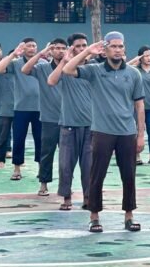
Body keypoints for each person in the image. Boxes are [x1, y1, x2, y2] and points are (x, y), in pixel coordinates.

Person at [62, 31, 145, 233]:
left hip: (127, 132)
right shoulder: (94, 71)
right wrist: (87, 52)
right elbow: (67, 69)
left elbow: (140, 106)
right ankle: (94, 216)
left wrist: (140, 135)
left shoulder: (134, 74)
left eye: (120, 46)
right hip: (102, 131)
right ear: (105, 50)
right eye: (113, 46)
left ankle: (129, 215)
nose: (117, 50)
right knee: (97, 175)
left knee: (129, 175)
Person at [48, 33, 93, 211]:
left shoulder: (94, 68)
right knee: (66, 165)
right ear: (71, 49)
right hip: (68, 124)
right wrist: (64, 61)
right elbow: (51, 81)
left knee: (89, 166)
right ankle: (66, 197)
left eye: (84, 46)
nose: (82, 49)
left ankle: (89, 197)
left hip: (91, 125)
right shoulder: (66, 69)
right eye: (78, 46)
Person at [0, 38, 42, 181]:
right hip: (21, 108)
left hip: (40, 108)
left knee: (40, 140)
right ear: (23, 49)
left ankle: (42, 168)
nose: (31, 48)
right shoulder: (16, 64)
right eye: (28, 46)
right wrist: (12, 54)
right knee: (19, 139)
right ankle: (17, 169)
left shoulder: (43, 64)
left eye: (34, 46)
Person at [22, 39, 66, 196]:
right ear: (51, 51)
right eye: (56, 48)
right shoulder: (42, 68)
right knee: (46, 153)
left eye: (63, 48)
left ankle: (65, 185)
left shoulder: (71, 68)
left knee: (66, 156)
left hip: (69, 119)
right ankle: (44, 184)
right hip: (48, 118)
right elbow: (25, 70)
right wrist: (41, 53)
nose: (60, 51)